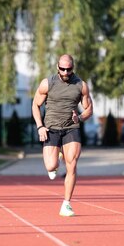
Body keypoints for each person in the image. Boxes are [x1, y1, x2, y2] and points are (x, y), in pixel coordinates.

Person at [32, 54, 93, 217]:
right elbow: (35, 105)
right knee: (50, 167)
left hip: (71, 128)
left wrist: (79, 118)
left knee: (72, 164)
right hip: (51, 128)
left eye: (69, 69)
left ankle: (66, 204)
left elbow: (89, 109)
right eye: (62, 69)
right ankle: (57, 157)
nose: (65, 72)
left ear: (73, 68)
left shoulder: (81, 85)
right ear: (57, 67)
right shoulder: (48, 83)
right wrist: (40, 127)